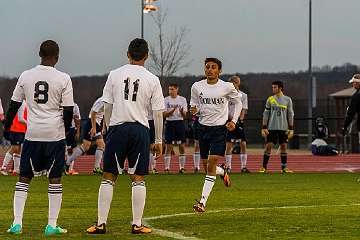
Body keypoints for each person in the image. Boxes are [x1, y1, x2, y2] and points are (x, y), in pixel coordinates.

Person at [86, 38, 164, 234]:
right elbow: (157, 113)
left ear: (128, 54)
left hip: (118, 128)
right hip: (140, 130)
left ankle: (101, 223)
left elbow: (108, 106)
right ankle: (137, 224)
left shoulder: (114, 74)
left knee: (108, 176)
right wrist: (158, 140)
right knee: (138, 178)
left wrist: (110, 128)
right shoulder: (153, 79)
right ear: (147, 56)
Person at [3, 40, 74, 236]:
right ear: (57, 57)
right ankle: (51, 225)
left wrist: (6, 128)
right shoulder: (64, 78)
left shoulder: (26, 75)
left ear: (39, 54)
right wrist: (65, 131)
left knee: (24, 178)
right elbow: (68, 110)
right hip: (55, 135)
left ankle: (17, 223)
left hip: (33, 134)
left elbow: (14, 104)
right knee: (55, 179)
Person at [191, 57, 242, 213]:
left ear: (219, 71)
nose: (210, 69)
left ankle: (202, 203)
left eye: (213, 67)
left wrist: (233, 120)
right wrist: (195, 110)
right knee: (207, 168)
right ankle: (222, 172)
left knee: (211, 164)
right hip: (202, 128)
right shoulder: (196, 86)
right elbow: (194, 104)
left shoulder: (226, 86)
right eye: (207, 67)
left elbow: (238, 103)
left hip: (219, 130)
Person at [259, 81, 294, 173]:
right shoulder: (270, 99)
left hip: (283, 128)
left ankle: (284, 168)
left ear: (280, 88)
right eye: (272, 87)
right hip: (272, 127)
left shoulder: (287, 100)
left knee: (284, 147)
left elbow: (290, 115)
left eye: (275, 87)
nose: (273, 89)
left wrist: (291, 129)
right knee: (268, 146)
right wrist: (264, 127)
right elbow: (265, 114)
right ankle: (264, 167)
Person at [65, 97, 105, 175]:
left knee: (101, 145)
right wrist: (93, 127)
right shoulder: (102, 101)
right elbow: (93, 113)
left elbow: (103, 115)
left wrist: (102, 127)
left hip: (96, 124)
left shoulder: (108, 101)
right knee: (86, 146)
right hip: (92, 123)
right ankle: (68, 162)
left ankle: (96, 168)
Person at [224, 75, 250, 173]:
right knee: (229, 144)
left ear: (237, 83)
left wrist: (240, 121)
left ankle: (243, 167)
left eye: (233, 83)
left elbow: (243, 109)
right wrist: (230, 120)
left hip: (238, 122)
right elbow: (225, 108)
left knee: (243, 143)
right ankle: (228, 167)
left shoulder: (243, 95)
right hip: (229, 121)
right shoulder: (227, 95)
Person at [163, 84, 188, 173]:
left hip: (179, 122)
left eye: (172, 89)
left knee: (181, 146)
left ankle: (181, 167)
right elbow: (164, 115)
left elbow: (185, 115)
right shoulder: (166, 100)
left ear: (177, 89)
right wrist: (172, 110)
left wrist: (181, 112)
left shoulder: (182, 99)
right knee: (168, 146)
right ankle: (166, 168)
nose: (170, 91)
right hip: (170, 123)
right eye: (169, 89)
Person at [1, 101, 27, 176]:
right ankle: (3, 167)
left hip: (21, 129)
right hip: (16, 129)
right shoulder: (22, 103)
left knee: (18, 150)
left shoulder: (26, 103)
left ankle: (16, 170)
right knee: (14, 148)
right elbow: (20, 119)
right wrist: (29, 123)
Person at [65, 102, 81, 175]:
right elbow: (77, 119)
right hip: (70, 129)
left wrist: (77, 131)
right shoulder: (74, 105)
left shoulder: (59, 104)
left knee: (67, 149)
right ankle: (69, 169)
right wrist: (77, 131)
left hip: (61, 129)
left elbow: (77, 118)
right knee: (70, 150)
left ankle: (68, 169)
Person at [342, 74, 360, 139]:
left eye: (353, 82)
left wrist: (345, 127)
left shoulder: (356, 96)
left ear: (357, 83)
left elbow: (351, 113)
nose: (352, 84)